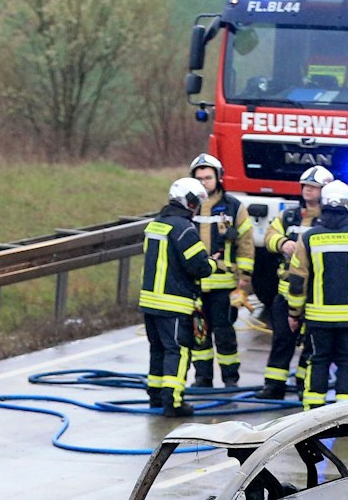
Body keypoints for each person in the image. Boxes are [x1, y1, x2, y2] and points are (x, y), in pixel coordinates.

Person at [288, 181, 348, 408]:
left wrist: (294, 313)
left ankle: (311, 414)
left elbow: (298, 279)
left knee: (318, 361)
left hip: (318, 317)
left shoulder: (308, 237)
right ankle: (345, 413)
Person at [140, 176, 215, 417]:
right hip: (174, 303)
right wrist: (212, 263)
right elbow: (198, 266)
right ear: (190, 202)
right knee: (177, 350)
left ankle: (155, 396)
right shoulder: (184, 229)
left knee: (157, 349)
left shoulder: (155, 224)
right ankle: (172, 401)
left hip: (149, 301)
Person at [258, 165, 333, 399]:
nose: (308, 190)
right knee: (282, 338)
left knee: (312, 343)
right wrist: (282, 243)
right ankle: (274, 385)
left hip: (316, 293)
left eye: (314, 187)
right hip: (287, 290)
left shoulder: (331, 219)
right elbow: (269, 235)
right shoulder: (289, 216)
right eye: (306, 186)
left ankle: (305, 383)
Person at [184, 153, 250, 389]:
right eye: (199, 178)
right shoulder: (187, 207)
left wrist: (244, 279)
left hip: (224, 284)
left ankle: (230, 378)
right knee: (199, 333)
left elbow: (246, 244)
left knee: (224, 333)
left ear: (218, 178)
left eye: (208, 177)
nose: (204, 182)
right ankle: (203, 378)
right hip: (195, 284)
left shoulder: (234, 207)